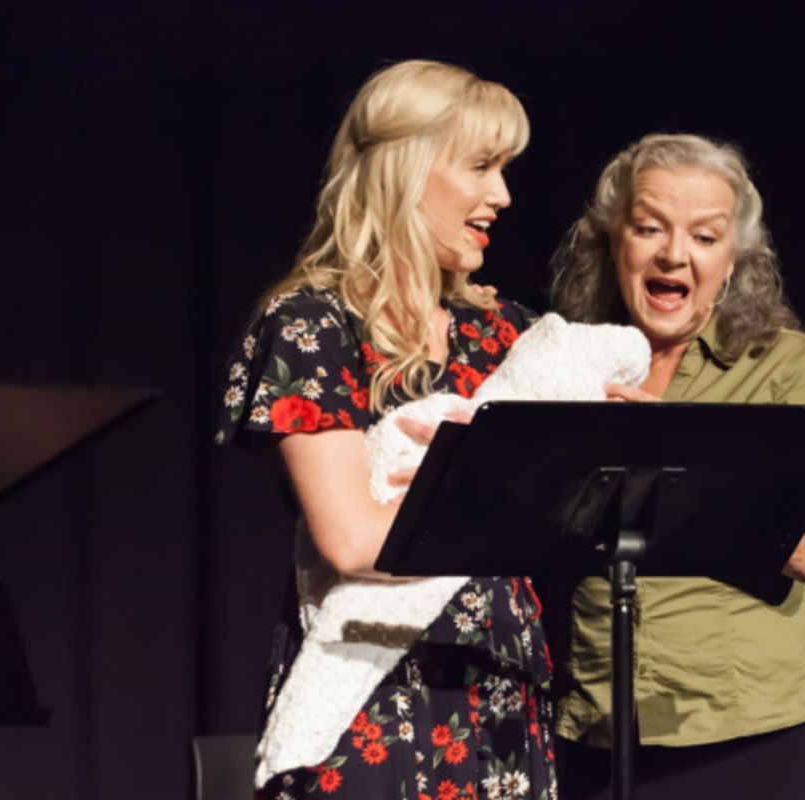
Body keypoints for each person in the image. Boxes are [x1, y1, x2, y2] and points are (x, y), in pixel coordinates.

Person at [215, 60, 557, 800]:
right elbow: (353, 539)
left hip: (499, 692)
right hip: (375, 696)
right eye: (481, 166)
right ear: (406, 169)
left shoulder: (507, 334)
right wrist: (498, 491)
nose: (502, 195)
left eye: (504, 169)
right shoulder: (314, 325)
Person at [548, 133, 805, 799]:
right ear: (612, 242)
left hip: (754, 724)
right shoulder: (568, 362)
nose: (673, 254)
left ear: (733, 259)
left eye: (705, 236)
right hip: (598, 719)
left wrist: (668, 450)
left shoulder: (795, 367)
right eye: (648, 228)